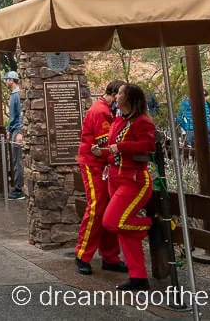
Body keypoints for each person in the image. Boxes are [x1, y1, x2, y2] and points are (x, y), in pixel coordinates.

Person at [102, 83, 156, 292]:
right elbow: (113, 147)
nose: (117, 96)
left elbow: (148, 145)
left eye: (122, 93)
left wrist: (121, 147)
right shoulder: (118, 120)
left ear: (131, 98)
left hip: (134, 180)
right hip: (115, 178)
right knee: (125, 232)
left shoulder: (143, 122)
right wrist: (104, 151)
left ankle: (149, 224)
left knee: (112, 222)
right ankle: (138, 277)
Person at [74, 80, 126, 277]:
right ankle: (82, 255)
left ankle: (110, 256)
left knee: (109, 209)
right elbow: (104, 145)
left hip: (104, 165)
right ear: (114, 94)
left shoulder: (108, 111)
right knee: (96, 207)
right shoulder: (101, 112)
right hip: (94, 165)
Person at [5, 71, 25, 200]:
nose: (5, 81)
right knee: (17, 160)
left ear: (11, 80)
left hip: (16, 131)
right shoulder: (17, 94)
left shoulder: (16, 95)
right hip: (16, 130)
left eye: (6, 79)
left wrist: (14, 131)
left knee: (17, 160)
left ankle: (19, 189)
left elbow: (17, 116)